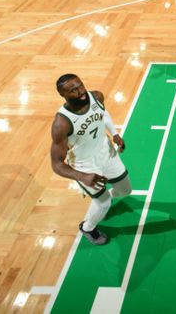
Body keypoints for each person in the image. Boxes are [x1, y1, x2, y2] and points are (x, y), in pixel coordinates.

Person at [50, 74, 131, 246]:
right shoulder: (61, 123)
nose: (80, 92)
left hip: (106, 153)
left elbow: (103, 113)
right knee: (103, 203)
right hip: (85, 166)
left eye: (80, 86)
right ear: (63, 95)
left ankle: (102, 204)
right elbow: (56, 165)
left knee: (125, 190)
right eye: (73, 91)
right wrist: (82, 176)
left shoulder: (96, 96)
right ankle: (87, 227)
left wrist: (114, 133)